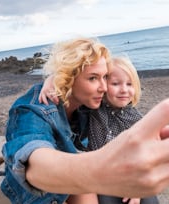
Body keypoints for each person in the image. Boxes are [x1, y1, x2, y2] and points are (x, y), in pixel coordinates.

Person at [0, 37, 169, 204]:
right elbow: (34, 166)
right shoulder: (31, 110)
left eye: (105, 77)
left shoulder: (91, 101)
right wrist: (105, 170)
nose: (103, 86)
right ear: (68, 78)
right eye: (93, 78)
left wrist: (53, 77)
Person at [40, 56, 159, 204]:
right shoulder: (95, 107)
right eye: (115, 83)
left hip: (130, 177)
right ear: (104, 85)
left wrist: (137, 189)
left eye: (130, 84)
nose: (124, 90)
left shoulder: (137, 120)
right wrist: (49, 83)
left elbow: (145, 157)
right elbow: (68, 77)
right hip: (102, 178)